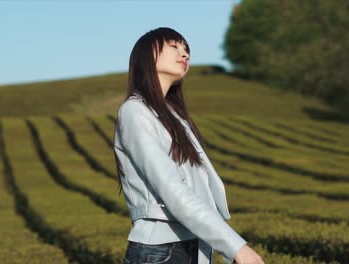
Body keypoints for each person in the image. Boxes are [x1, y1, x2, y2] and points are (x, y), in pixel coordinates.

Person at [113, 27, 265, 264]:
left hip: (192, 246)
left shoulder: (176, 118)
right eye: (174, 46)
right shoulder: (135, 111)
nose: (184, 54)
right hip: (162, 250)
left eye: (186, 50)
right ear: (146, 54)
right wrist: (236, 247)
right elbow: (172, 190)